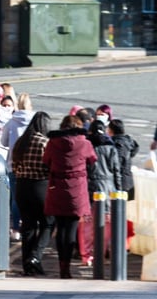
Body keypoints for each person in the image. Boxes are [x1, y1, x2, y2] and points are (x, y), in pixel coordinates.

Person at [43, 115, 97, 279]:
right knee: (72, 228)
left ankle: (62, 266)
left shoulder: (53, 142)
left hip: (57, 187)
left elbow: (46, 161)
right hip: (77, 189)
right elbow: (93, 161)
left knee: (60, 228)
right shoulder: (85, 143)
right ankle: (67, 267)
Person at [11, 111, 52, 276]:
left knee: (28, 226)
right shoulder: (45, 142)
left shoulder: (22, 142)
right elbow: (49, 166)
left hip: (22, 186)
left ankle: (28, 265)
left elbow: (14, 165)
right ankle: (35, 256)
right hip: (40, 185)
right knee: (47, 223)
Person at [79, 119, 122, 266]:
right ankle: (101, 253)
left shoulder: (86, 146)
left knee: (87, 224)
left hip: (89, 188)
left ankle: (87, 255)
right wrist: (119, 191)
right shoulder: (111, 148)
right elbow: (117, 172)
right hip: (108, 189)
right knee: (107, 224)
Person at [1, 92, 34, 241]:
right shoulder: (35, 120)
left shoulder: (11, 121)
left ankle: (15, 228)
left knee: (15, 198)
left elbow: (3, 142)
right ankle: (30, 225)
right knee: (31, 197)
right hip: (32, 164)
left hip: (13, 164)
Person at [108, 119, 139, 200]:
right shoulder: (128, 142)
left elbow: (117, 163)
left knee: (117, 208)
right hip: (127, 180)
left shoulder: (118, 143)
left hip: (120, 181)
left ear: (111, 130)